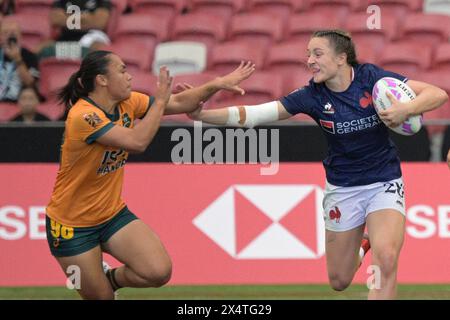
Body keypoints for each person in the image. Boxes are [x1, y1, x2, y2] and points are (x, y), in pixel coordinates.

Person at [188, 30, 448, 300]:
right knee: (339, 279)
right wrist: (201, 115)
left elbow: (436, 94)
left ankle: (377, 247)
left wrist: (407, 109)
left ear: (341, 58)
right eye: (308, 55)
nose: (310, 60)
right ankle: (363, 242)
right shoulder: (311, 96)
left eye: (317, 53)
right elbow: (254, 115)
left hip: (384, 180)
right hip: (343, 188)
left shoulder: (372, 78)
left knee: (387, 257)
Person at [45, 50, 255, 300]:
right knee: (100, 299)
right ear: (102, 80)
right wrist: (160, 101)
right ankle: (100, 287)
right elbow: (137, 141)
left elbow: (181, 103)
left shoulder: (128, 102)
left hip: (111, 215)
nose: (130, 77)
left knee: (158, 272)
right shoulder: (83, 116)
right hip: (71, 226)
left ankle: (108, 278)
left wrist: (216, 84)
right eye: (122, 71)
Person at [0, 17, 39, 102]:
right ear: (1, 36)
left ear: (20, 36)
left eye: (14, 32)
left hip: (19, 104)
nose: (10, 35)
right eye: (6, 33)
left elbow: (30, 84)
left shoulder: (30, 56)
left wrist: (18, 59)